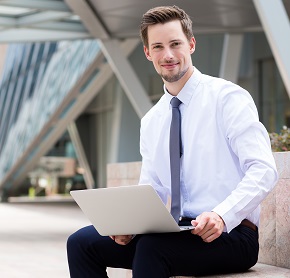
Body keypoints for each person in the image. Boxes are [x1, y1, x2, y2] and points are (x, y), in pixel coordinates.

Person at [67, 5, 278, 277]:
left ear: (191, 44)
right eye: (157, 47)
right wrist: (129, 224)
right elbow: (152, 188)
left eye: (175, 43)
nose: (167, 55)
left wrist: (222, 215)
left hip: (231, 234)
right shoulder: (152, 120)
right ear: (147, 53)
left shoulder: (227, 98)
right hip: (178, 230)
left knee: (153, 249)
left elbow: (264, 169)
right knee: (81, 243)